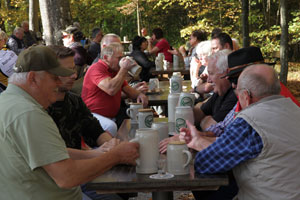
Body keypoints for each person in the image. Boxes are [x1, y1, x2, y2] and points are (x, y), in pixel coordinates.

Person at [0, 45, 139, 200]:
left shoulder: (7, 102)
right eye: (54, 78)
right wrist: (116, 156)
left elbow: (50, 152)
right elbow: (67, 177)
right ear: (33, 78)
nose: (59, 84)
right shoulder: (29, 113)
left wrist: (101, 152)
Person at [181, 64, 300, 200]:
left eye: (237, 94)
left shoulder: (250, 121)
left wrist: (197, 144)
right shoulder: (295, 110)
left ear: (246, 95)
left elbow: (206, 163)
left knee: (205, 189)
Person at [81, 42, 148, 136]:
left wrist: (140, 94)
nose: (121, 61)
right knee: (111, 126)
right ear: (105, 58)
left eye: (122, 57)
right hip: (92, 115)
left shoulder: (115, 71)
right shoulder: (96, 68)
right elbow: (111, 89)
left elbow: (129, 90)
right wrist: (124, 69)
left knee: (134, 121)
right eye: (119, 58)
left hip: (111, 116)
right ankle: (105, 150)